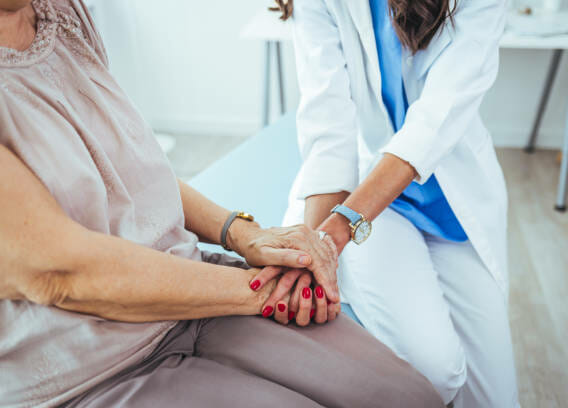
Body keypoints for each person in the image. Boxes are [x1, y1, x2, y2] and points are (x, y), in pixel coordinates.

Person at [0, 0, 445, 407]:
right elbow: (62, 275)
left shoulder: (61, 12)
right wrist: (269, 289)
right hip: (89, 368)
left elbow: (125, 166)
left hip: (193, 291)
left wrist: (245, 233)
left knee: (410, 397)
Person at [255, 0, 520, 406]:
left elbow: (437, 117)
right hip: (372, 205)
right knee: (439, 373)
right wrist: (314, 251)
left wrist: (334, 232)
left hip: (451, 207)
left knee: (494, 399)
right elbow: (328, 125)